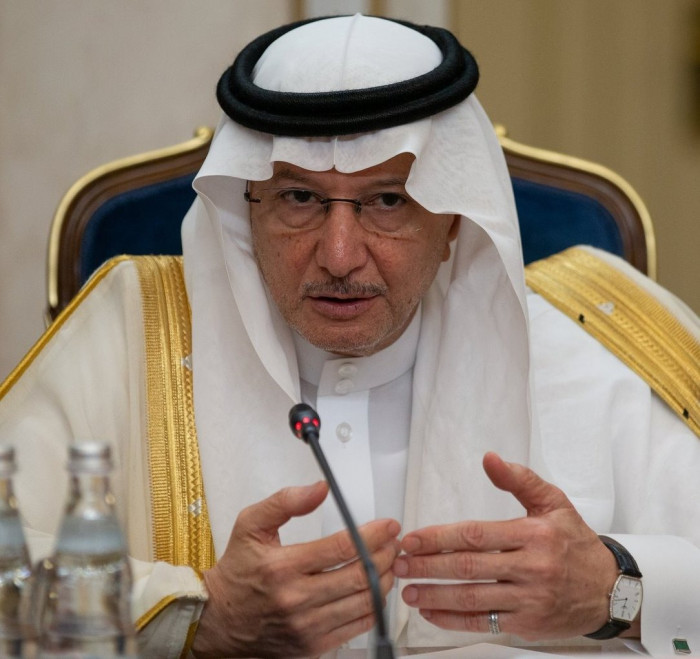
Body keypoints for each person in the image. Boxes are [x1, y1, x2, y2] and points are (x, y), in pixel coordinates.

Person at [1, 13, 699, 659]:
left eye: (387, 200)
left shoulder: (594, 341)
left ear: (453, 218)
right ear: (246, 209)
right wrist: (201, 615)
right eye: (299, 198)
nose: (339, 255)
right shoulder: (128, 334)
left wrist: (615, 589)